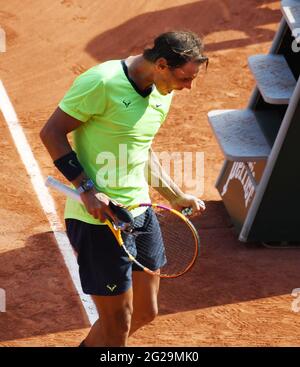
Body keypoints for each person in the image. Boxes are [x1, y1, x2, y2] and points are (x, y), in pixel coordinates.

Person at [40, 30, 208, 347]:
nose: (188, 88)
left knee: (146, 311)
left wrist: (175, 195)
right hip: (98, 221)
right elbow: (51, 132)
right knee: (117, 327)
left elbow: (140, 149)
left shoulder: (162, 92)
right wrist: (87, 188)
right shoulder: (101, 82)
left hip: (140, 213)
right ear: (161, 64)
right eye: (185, 79)